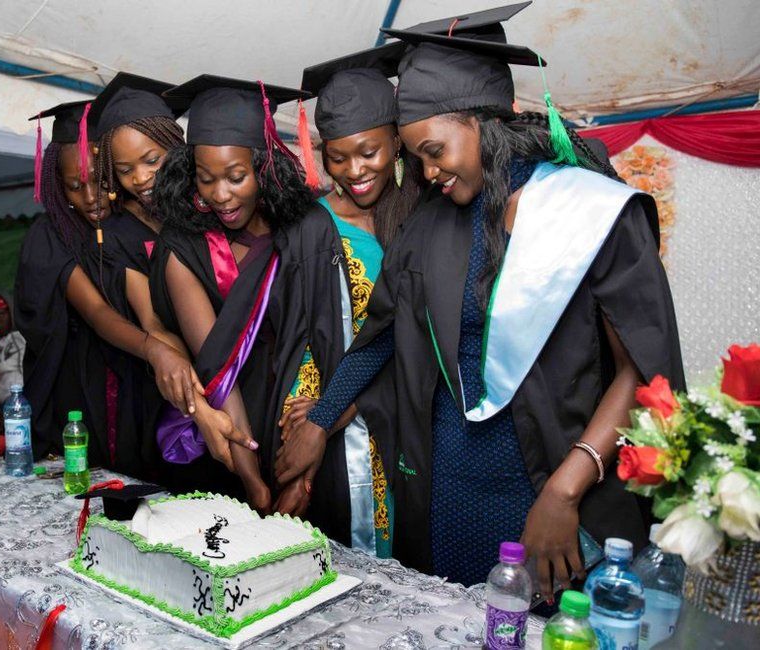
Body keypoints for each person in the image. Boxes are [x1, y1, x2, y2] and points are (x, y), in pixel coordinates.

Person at [276, 4, 684, 594]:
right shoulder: (428, 227)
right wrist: (318, 419)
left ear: (483, 121)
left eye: (435, 150)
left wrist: (565, 490)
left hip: (557, 480)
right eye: (416, 156)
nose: (427, 170)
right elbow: (380, 339)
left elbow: (643, 371)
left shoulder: (591, 211)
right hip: (447, 489)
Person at [265, 43, 423, 558]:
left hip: (410, 419)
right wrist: (305, 420)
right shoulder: (310, 229)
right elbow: (297, 337)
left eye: (369, 152)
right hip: (335, 431)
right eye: (337, 156)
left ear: (399, 142)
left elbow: (416, 337)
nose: (353, 170)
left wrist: (332, 412)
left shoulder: (426, 216)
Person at [151, 75, 314, 510]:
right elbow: (220, 367)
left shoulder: (300, 235)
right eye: (205, 179)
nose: (220, 195)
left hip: (297, 426)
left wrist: (303, 461)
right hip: (224, 435)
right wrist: (252, 481)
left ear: (263, 167)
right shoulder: (181, 246)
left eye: (236, 177)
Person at [15, 99, 201, 468]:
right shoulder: (52, 233)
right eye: (74, 186)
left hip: (142, 372)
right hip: (82, 374)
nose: (90, 197)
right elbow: (98, 312)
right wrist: (156, 350)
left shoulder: (136, 222)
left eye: (101, 182)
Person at [84, 72, 199, 478]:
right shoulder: (117, 235)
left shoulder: (209, 209)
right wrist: (199, 394)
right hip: (173, 393)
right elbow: (151, 320)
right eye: (126, 169)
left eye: (152, 160)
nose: (142, 178)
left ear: (176, 146)